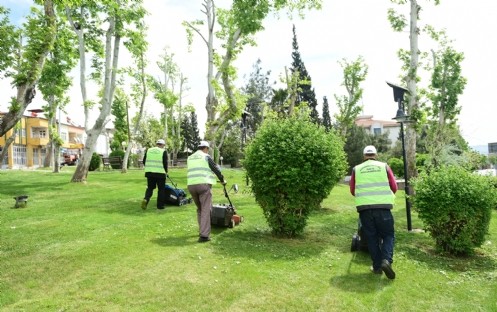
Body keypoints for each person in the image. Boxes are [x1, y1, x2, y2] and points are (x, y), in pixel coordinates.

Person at [349, 145, 398, 279]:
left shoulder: (356, 169)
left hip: (365, 209)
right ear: (375, 155)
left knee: (371, 237)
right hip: (383, 208)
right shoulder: (384, 166)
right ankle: (386, 261)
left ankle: (377, 267)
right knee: (388, 235)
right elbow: (394, 187)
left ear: (364, 156)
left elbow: (353, 190)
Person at [187, 140, 226, 243]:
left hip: (191, 186)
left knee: (200, 209)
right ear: (206, 148)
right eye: (208, 150)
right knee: (205, 209)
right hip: (203, 186)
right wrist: (222, 180)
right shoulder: (205, 156)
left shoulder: (190, 157)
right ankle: (204, 236)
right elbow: (216, 169)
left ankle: (202, 230)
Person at [141, 139, 168, 210]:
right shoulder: (163, 151)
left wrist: (150, 167)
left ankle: (146, 199)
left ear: (157, 144)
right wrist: (166, 172)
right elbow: (165, 163)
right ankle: (160, 206)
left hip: (149, 173)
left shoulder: (149, 150)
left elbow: (144, 161)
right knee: (161, 189)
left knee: (150, 188)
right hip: (160, 173)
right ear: (162, 145)